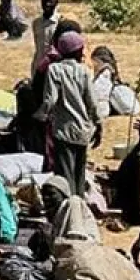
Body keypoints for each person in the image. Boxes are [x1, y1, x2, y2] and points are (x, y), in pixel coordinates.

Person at [39, 31, 101, 196]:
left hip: (64, 131)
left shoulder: (55, 70)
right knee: (79, 173)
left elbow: (50, 100)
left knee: (65, 173)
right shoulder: (84, 72)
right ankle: (79, 203)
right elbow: (92, 103)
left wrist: (40, 116)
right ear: (75, 51)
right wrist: (98, 124)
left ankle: (69, 205)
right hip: (83, 131)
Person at [28, 0, 60, 76]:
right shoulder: (36, 23)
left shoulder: (60, 23)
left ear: (56, 3)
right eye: (44, 1)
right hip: (38, 66)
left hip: (54, 68)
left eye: (50, 1)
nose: (47, 4)